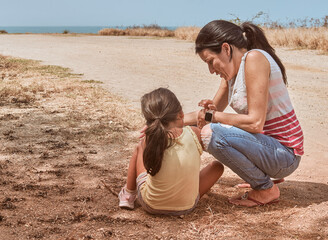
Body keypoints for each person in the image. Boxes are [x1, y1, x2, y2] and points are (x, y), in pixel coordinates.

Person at [185, 20, 304, 207]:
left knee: (211, 134)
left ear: (226, 49)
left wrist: (212, 117)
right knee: (207, 129)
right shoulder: (231, 74)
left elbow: (255, 123)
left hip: (284, 154)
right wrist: (164, 122)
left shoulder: (254, 59)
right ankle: (261, 176)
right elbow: (204, 116)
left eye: (210, 61)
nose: (210, 70)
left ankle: (265, 189)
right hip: (268, 149)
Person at [118, 88, 223, 215]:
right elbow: (208, 139)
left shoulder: (149, 139)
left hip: (151, 205)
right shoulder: (194, 133)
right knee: (217, 167)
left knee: (139, 147)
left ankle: (128, 194)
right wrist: (209, 116)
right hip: (187, 207)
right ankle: (183, 197)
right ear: (181, 114)